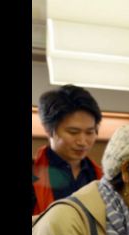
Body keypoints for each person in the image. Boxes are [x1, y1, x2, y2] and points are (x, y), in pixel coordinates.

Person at [32, 84, 103, 216]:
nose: (82, 142)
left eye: (89, 132)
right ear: (49, 130)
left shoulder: (102, 177)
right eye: (73, 132)